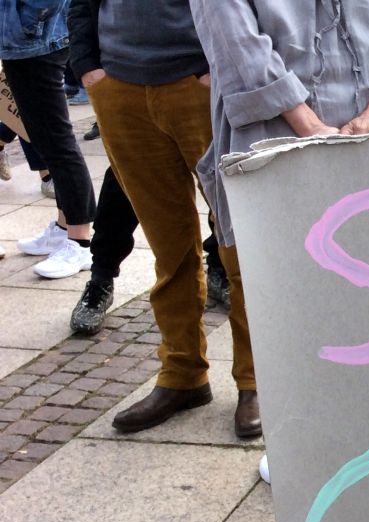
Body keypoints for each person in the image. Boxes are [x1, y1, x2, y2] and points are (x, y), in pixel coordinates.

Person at [190, 0, 369, 480]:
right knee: (290, 301)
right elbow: (237, 42)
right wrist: (311, 128)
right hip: (276, 139)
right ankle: (305, 442)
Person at [67, 0, 261, 438]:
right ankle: (182, 373)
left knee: (241, 244)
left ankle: (256, 379)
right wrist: (88, 66)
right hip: (120, 87)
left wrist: (218, 66)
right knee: (167, 247)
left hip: (201, 83)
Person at [0, 0, 95, 279]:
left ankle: (80, 241)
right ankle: (65, 228)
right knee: (47, 141)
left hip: (35, 42)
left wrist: (28, 24)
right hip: (27, 41)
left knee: (56, 143)